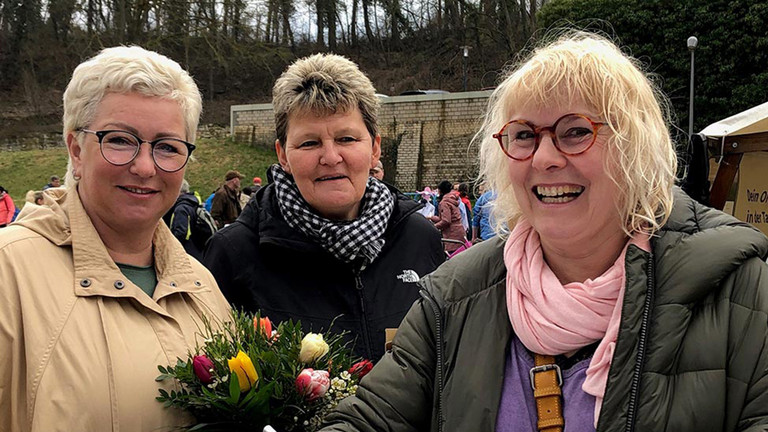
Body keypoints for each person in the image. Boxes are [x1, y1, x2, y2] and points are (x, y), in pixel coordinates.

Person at [322, 32, 768, 431]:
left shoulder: (741, 291)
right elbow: (373, 417)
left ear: (635, 146)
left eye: (575, 131)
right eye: (523, 135)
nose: (544, 158)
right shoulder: (454, 296)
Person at [0, 46, 231, 432]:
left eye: (167, 147)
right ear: (76, 149)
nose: (144, 167)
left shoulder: (201, 285)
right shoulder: (10, 273)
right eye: (120, 140)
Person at [203, 53, 445, 362]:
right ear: (283, 155)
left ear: (374, 149)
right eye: (309, 143)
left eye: (346, 138)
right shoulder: (234, 254)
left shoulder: (419, 238)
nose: (330, 157)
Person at [166, 179, 204, 261]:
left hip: (186, 252)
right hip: (198, 249)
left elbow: (181, 232)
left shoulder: (181, 208)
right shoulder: (192, 203)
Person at [430, 180, 466, 253]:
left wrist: (433, 227)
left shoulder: (444, 202)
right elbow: (445, 217)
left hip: (452, 235)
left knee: (453, 257)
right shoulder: (452, 199)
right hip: (459, 231)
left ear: (440, 190)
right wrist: (431, 217)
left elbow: (446, 220)